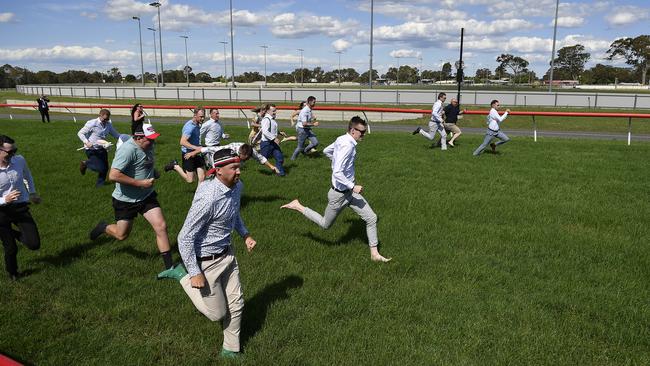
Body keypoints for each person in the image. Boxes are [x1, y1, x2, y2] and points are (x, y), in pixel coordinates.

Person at [160, 149, 257, 360]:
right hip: (207, 262)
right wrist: (194, 272)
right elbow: (184, 237)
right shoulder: (207, 197)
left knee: (237, 303)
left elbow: (234, 213)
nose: (239, 172)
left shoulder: (237, 186)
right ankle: (181, 275)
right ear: (218, 170)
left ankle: (231, 349)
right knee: (217, 314)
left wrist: (245, 235)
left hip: (228, 254)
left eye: (240, 166)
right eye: (234, 167)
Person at [281, 116, 391, 263]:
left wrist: (337, 162)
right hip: (339, 195)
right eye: (362, 132)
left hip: (349, 193)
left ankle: (374, 254)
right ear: (353, 131)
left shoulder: (342, 139)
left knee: (371, 218)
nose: (363, 135)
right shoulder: (348, 145)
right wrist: (352, 185)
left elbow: (326, 151)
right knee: (325, 224)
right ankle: (298, 205)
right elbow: (337, 172)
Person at [89, 124, 177, 279]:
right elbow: (114, 175)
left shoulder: (148, 146)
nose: (152, 142)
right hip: (125, 200)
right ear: (138, 138)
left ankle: (169, 268)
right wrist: (140, 183)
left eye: (153, 139)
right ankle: (103, 227)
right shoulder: (127, 150)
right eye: (149, 140)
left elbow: (145, 162)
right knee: (122, 235)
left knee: (161, 226)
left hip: (146, 196)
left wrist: (152, 172)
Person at [0, 135, 41, 281]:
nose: (13, 155)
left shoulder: (19, 160)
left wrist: (32, 192)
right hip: (1, 212)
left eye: (14, 151)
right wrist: (5, 199)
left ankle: (11, 232)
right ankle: (13, 273)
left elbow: (27, 174)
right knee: (10, 248)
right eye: (9, 152)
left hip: (20, 207)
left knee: (34, 244)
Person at [78, 109, 121, 187]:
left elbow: (116, 134)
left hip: (102, 148)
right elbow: (80, 133)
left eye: (107, 119)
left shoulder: (108, 124)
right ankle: (85, 164)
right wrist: (86, 142)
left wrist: (126, 137)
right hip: (91, 149)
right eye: (104, 119)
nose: (106, 121)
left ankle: (99, 185)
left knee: (105, 168)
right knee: (100, 168)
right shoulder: (92, 123)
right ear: (100, 115)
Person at [164, 108, 206, 183]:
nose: (202, 119)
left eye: (203, 116)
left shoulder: (197, 124)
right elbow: (182, 142)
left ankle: (199, 194)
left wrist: (199, 148)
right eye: (201, 116)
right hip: (188, 154)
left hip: (196, 153)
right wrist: (196, 147)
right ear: (195, 115)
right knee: (190, 180)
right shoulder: (190, 127)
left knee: (202, 178)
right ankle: (175, 166)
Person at [184, 142, 280, 175]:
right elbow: (210, 148)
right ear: (240, 153)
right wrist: (193, 152)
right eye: (244, 159)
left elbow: (261, 159)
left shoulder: (251, 151)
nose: (245, 161)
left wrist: (272, 167)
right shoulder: (230, 150)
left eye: (246, 160)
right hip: (215, 159)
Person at [259, 104, 286, 176]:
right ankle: (251, 154)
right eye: (273, 111)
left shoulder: (271, 119)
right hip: (266, 143)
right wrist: (274, 138)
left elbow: (271, 130)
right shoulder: (266, 119)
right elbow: (265, 131)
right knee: (262, 159)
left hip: (272, 143)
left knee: (280, 158)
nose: (275, 112)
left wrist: (279, 132)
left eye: (275, 110)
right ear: (267, 111)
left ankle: (280, 174)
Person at [290, 96, 319, 160]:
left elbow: (308, 120)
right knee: (300, 147)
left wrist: (313, 117)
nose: (315, 103)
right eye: (314, 102)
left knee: (315, 143)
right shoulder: (304, 111)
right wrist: (313, 124)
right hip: (302, 130)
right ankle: (292, 159)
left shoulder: (309, 109)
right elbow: (304, 124)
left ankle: (305, 151)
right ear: (310, 102)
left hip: (307, 129)